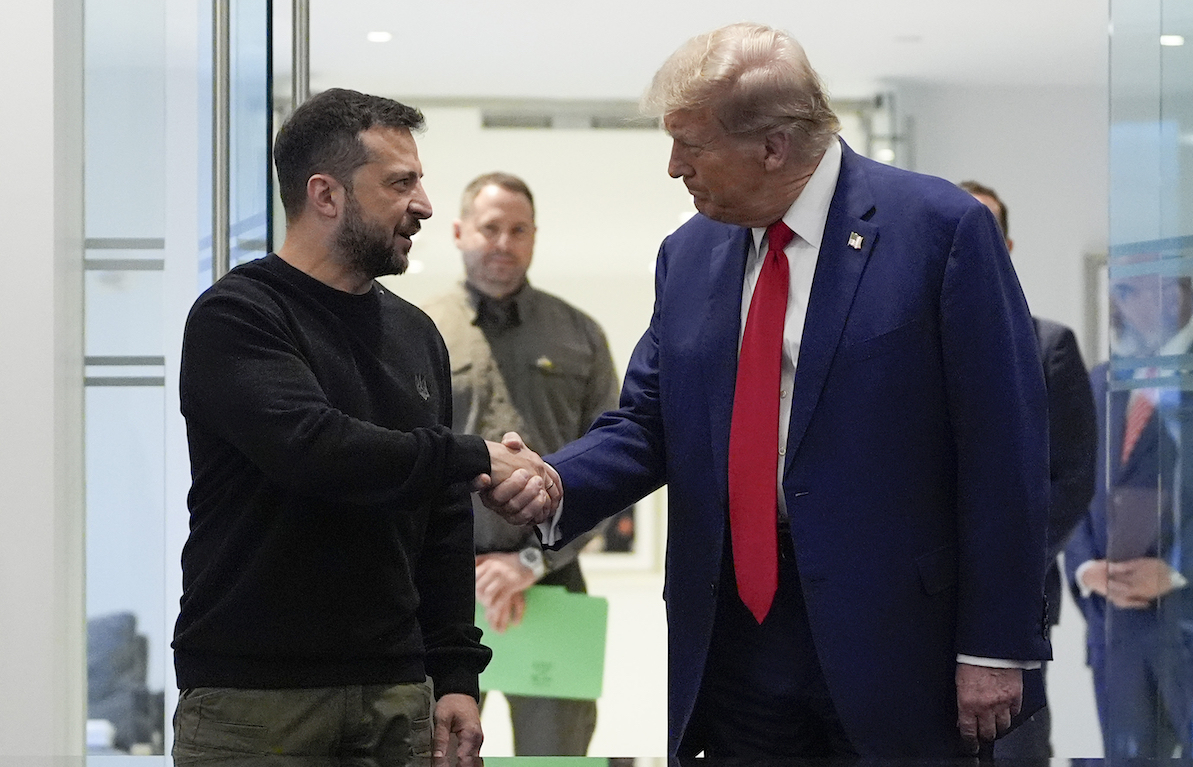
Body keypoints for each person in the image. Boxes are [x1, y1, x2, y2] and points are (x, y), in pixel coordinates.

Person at [486, 23, 1051, 758]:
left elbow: (1002, 446)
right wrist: (558, 481)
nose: (672, 167)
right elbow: (650, 421)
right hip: (732, 636)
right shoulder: (687, 254)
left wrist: (995, 644)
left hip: (895, 641)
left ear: (773, 146)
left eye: (690, 144)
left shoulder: (939, 231)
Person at [170, 88, 558, 762]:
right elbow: (314, 449)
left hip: (396, 694)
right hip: (255, 701)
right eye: (400, 183)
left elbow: (440, 520)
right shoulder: (237, 316)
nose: (424, 205)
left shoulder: (416, 335)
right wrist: (475, 455)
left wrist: (456, 673)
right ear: (326, 195)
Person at [421, 172, 620, 755]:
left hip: (553, 587)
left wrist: (533, 562)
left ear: (534, 238)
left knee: (555, 754)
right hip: (443, 595)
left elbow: (611, 464)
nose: (502, 242)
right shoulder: (418, 330)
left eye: (518, 230)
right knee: (439, 747)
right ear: (459, 232)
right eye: (489, 228)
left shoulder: (580, 334)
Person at [958, 181, 1098, 758]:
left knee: (1015, 748)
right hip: (911, 604)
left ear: (1008, 246)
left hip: (1017, 602)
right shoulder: (898, 347)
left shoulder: (1049, 345)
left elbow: (1072, 481)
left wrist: (1000, 567)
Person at [1064, 271, 1193, 758]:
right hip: (1114, 631)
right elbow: (1068, 485)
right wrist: (1084, 567)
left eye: (1158, 285)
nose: (1143, 301)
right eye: (1128, 289)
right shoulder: (1097, 382)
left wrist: (1179, 569)